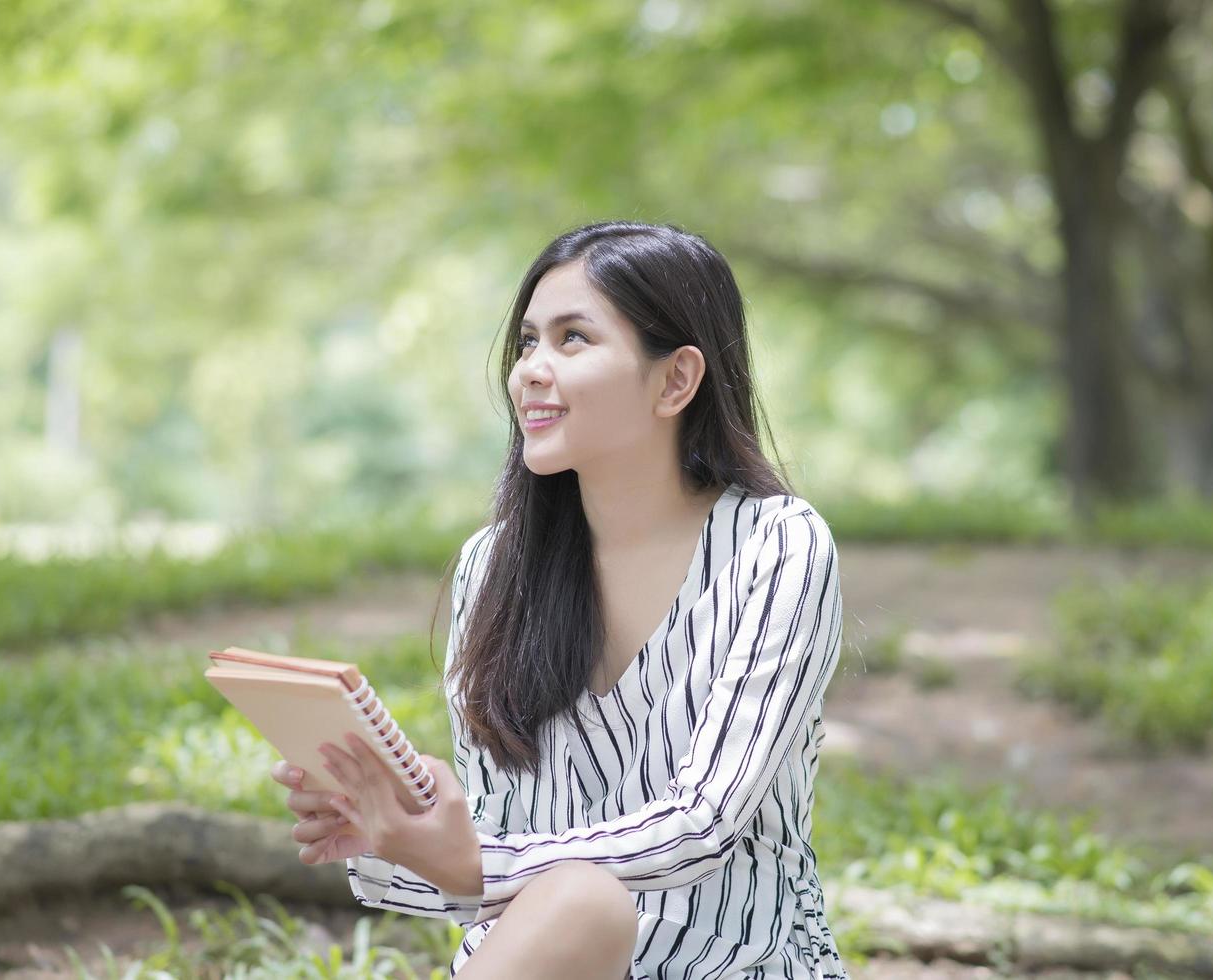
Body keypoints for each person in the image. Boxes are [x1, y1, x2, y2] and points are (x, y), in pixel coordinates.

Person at [269, 220, 849, 979]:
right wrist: (398, 829)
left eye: (573, 339)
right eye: (527, 342)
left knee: (583, 898)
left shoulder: (777, 546)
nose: (530, 372)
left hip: (733, 962)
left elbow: (703, 825)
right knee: (575, 904)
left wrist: (471, 856)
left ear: (675, 379)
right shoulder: (495, 566)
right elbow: (501, 862)